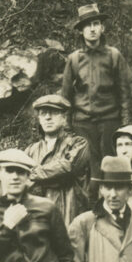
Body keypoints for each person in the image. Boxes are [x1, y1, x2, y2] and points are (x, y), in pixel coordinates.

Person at [61, 3, 132, 182]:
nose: (92, 29)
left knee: (111, 166)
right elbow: (65, 97)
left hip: (110, 120)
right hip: (83, 123)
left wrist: (126, 125)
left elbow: (125, 93)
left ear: (102, 27)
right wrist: (67, 130)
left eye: (95, 24)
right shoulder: (74, 59)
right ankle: (90, 206)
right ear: (81, 31)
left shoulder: (114, 55)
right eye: (87, 25)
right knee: (86, 169)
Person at [24, 94, 90, 223]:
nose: (48, 117)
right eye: (43, 114)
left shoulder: (79, 143)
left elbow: (67, 168)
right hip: (38, 217)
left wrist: (33, 175)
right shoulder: (31, 150)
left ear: (64, 118)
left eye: (53, 113)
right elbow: (21, 178)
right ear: (39, 119)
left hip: (69, 215)